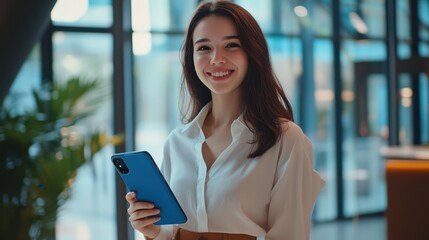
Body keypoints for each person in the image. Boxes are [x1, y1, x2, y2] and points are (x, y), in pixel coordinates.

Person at [126, 1, 325, 239]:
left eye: (231, 45)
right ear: (191, 57)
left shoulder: (285, 139)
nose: (216, 58)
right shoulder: (177, 142)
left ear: (253, 52)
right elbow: (170, 233)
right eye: (203, 48)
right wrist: (152, 230)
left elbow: (289, 234)